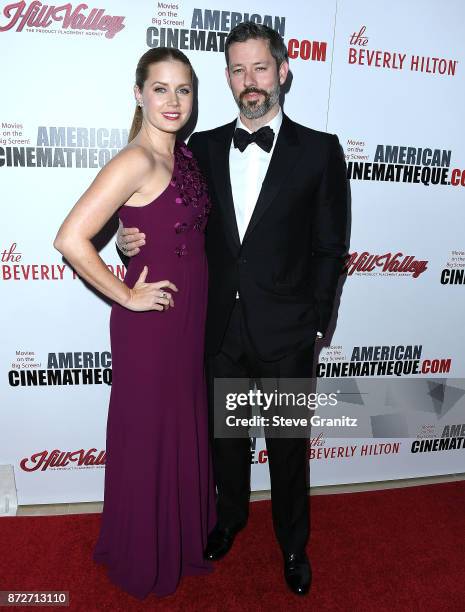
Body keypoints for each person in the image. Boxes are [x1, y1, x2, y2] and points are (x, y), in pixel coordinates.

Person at [117, 22, 348, 597]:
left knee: (288, 448)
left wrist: (318, 319)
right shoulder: (201, 149)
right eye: (239, 70)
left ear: (283, 71)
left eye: (260, 68)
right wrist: (126, 237)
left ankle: (293, 545)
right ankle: (228, 520)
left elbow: (330, 246)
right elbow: (173, 221)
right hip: (216, 325)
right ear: (226, 78)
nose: (250, 81)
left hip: (287, 328)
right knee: (226, 438)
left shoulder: (319, 150)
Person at [54, 47, 216, 599]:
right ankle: (142, 552)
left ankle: (177, 539)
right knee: (149, 434)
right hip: (151, 328)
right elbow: (71, 238)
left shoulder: (185, 157)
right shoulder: (136, 160)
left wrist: (127, 241)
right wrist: (125, 294)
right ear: (139, 94)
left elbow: (162, 227)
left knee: (176, 427)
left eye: (183, 90)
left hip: (187, 323)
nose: (172, 101)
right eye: (161, 88)